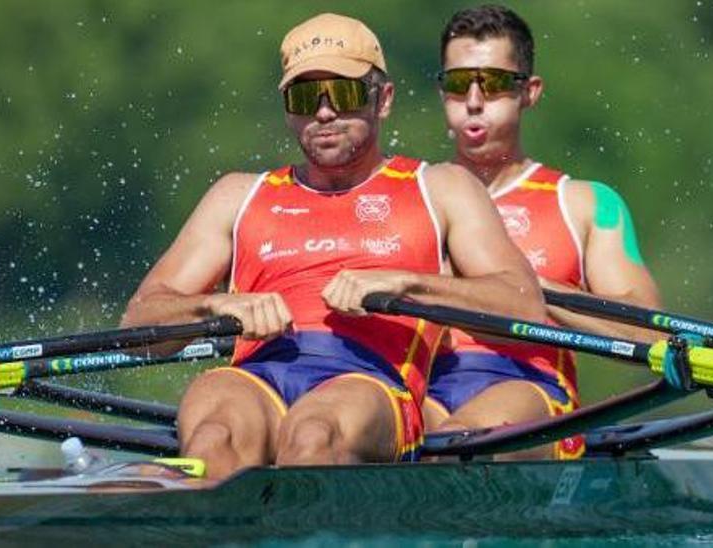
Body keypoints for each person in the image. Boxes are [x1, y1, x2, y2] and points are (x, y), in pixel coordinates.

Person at [120, 12, 546, 480]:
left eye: (342, 94)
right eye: (305, 97)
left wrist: (406, 286)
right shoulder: (236, 194)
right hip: (255, 374)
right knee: (212, 438)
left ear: (382, 100)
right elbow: (139, 324)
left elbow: (523, 307)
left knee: (313, 435)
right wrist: (215, 307)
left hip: (372, 382)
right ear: (287, 109)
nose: (323, 113)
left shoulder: (441, 187)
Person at [426, 5, 664, 460]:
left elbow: (648, 335)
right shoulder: (414, 195)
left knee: (451, 447)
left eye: (493, 83)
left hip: (527, 387)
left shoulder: (585, 204)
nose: (474, 100)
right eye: (458, 84)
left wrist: (524, 291)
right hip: (424, 384)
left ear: (529, 92)